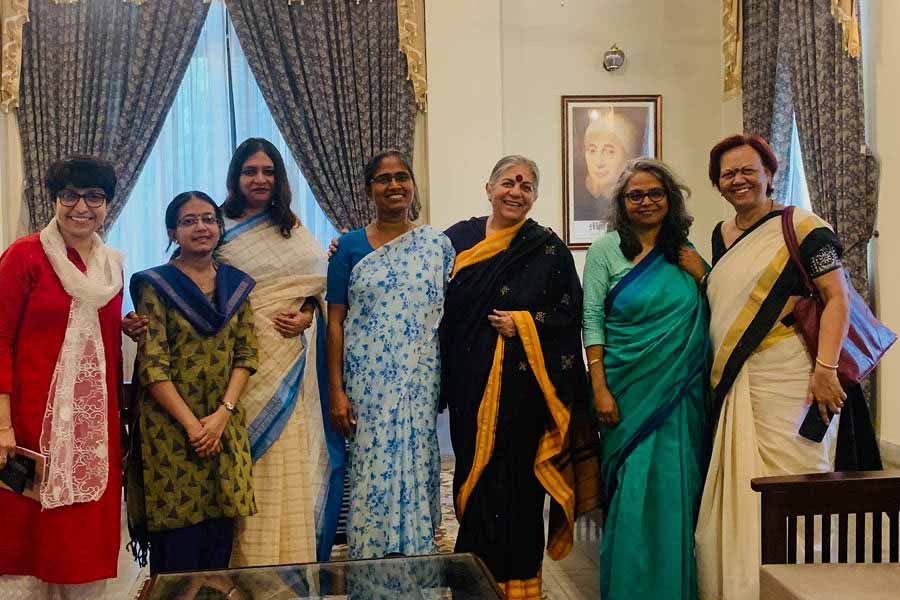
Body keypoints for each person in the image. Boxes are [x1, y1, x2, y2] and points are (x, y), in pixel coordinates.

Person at [694, 134, 881, 600]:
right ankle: (740, 586)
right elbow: (730, 299)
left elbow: (836, 297)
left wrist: (825, 370)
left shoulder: (804, 226)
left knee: (797, 481)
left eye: (747, 170)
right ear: (717, 183)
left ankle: (801, 587)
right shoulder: (722, 235)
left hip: (794, 376)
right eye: (728, 173)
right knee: (738, 488)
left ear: (770, 175)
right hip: (740, 380)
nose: (738, 179)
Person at [441, 155, 601, 599]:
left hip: (526, 394)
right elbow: (419, 288)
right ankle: (473, 586)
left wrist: (525, 323)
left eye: (527, 186)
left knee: (521, 489)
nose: (517, 191)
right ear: (488, 187)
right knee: (474, 483)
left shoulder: (546, 248)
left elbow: (570, 314)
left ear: (535, 197)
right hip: (469, 385)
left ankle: (521, 587)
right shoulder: (456, 239)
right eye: (508, 182)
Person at [582, 159, 710, 600]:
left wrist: (704, 275)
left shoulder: (686, 252)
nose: (646, 201)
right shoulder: (605, 252)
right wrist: (598, 386)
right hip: (625, 391)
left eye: (655, 193)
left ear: (670, 199)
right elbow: (592, 319)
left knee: (676, 488)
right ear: (622, 203)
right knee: (631, 488)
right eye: (635, 195)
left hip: (680, 396)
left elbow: (717, 312)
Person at [0, 156, 124, 599]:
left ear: (107, 203)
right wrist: (3, 424)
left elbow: (106, 345)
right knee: (27, 542)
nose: (81, 207)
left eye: (94, 196)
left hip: (93, 430)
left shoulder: (112, 267)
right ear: (54, 199)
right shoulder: (25, 255)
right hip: (31, 425)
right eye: (69, 195)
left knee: (81, 542)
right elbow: (1, 338)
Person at [326, 149, 455, 559]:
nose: (394, 185)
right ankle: (369, 560)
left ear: (413, 185)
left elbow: (450, 311)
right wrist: (336, 391)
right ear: (369, 190)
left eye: (402, 177)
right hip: (365, 381)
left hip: (418, 378)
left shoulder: (436, 246)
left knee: (417, 460)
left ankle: (416, 557)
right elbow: (334, 323)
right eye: (384, 179)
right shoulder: (347, 247)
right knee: (369, 468)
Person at [218, 138, 341, 566]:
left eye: (268, 171)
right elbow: (192, 282)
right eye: (250, 171)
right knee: (252, 463)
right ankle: (248, 570)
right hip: (244, 365)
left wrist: (308, 313)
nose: (259, 179)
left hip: (292, 360)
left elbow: (317, 285)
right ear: (236, 177)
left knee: (293, 460)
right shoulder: (217, 226)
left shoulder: (290, 224)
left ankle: (292, 567)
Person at [126, 191, 258, 574]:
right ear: (173, 231)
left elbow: (246, 354)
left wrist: (221, 415)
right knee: (178, 551)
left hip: (224, 426)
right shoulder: (155, 284)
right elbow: (153, 364)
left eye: (208, 219)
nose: (201, 227)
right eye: (189, 220)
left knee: (220, 543)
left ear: (219, 227)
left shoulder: (237, 286)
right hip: (171, 430)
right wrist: (192, 425)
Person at [573, 108, 643, 223]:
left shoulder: (639, 207)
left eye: (609, 151)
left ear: (628, 157)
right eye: (592, 150)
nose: (599, 162)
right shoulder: (580, 207)